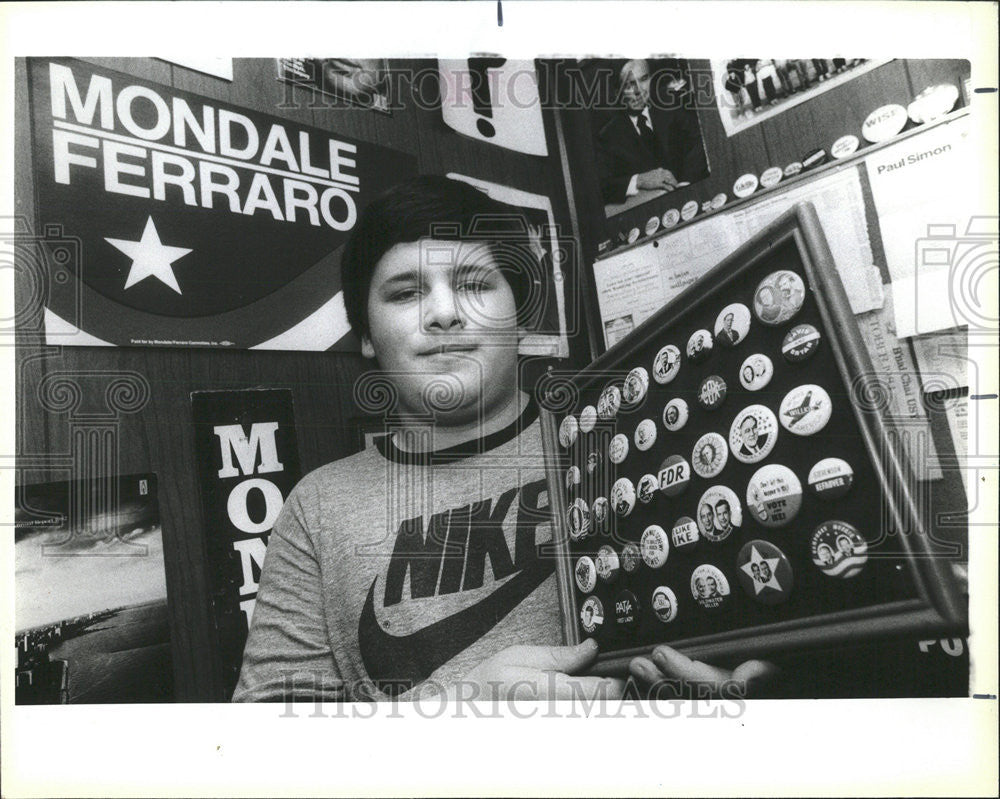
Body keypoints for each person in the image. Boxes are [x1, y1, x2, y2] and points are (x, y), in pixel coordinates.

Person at [234, 175, 775, 703]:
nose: (445, 314)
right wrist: (450, 717)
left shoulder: (625, 440)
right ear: (367, 336)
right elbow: (264, 749)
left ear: (519, 318)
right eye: (406, 292)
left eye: (474, 285)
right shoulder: (319, 506)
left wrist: (771, 673)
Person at [596, 59, 709, 205]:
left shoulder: (672, 103)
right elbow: (602, 187)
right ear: (617, 92)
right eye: (628, 84)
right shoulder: (608, 136)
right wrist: (640, 180)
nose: (638, 90)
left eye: (643, 79)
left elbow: (700, 143)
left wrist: (686, 185)